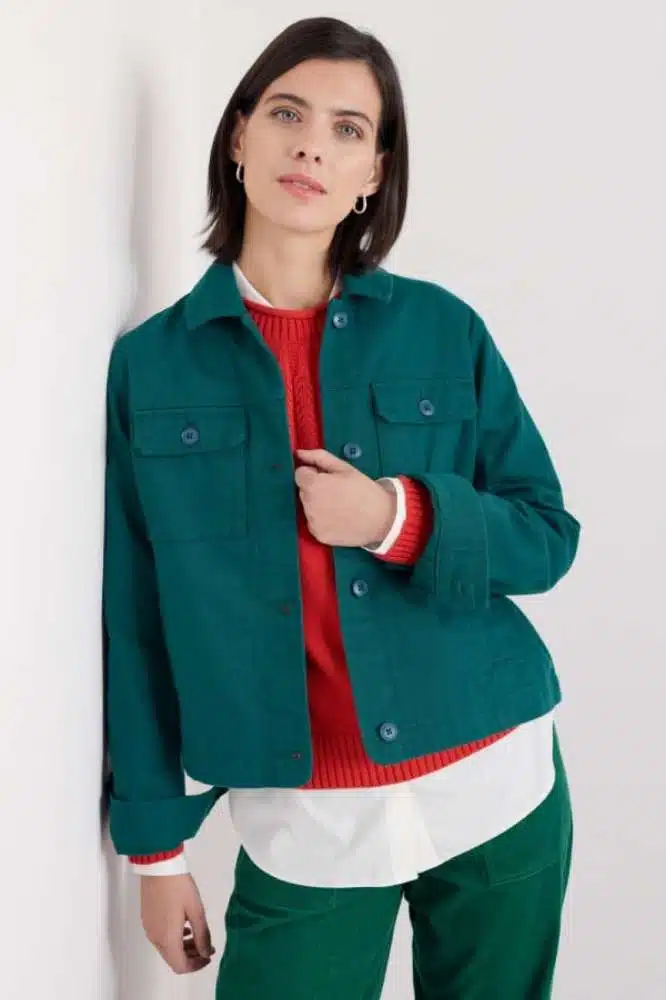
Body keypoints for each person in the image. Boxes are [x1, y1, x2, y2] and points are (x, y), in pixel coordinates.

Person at [103, 15, 581, 999]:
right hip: (306, 822)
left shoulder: (444, 330)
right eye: (288, 114)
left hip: (496, 790)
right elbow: (137, 614)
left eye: (348, 129)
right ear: (240, 137)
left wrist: (396, 518)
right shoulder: (151, 367)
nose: (313, 146)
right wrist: (155, 851)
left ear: (373, 173)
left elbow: (545, 537)